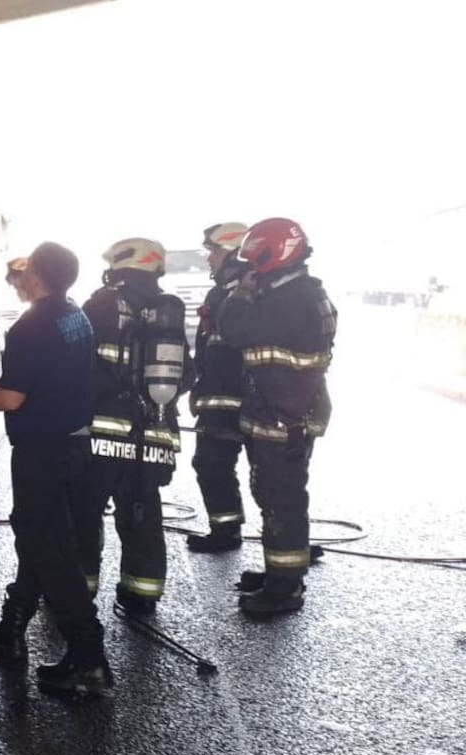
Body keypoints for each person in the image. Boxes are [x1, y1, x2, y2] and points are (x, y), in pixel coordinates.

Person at [0, 243, 111, 696]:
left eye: (26, 271)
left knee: (50, 550)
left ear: (38, 276)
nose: (20, 278)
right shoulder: (74, 315)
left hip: (41, 452)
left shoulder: (31, 327)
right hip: (74, 446)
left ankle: (89, 659)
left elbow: (12, 399)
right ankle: (13, 627)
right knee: (42, 539)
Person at [218, 218, 337, 615]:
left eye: (255, 256)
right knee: (276, 497)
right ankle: (280, 572)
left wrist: (241, 294)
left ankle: (285, 589)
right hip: (286, 412)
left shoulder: (290, 299)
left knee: (282, 500)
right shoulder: (300, 292)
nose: (250, 264)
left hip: (285, 416)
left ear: (275, 252)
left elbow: (233, 328)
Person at [78, 238, 194, 614]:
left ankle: (79, 589)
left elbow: (78, 362)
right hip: (154, 433)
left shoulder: (101, 304)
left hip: (104, 434)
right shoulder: (167, 311)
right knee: (143, 513)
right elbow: (188, 375)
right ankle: (142, 592)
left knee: (84, 510)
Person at [187, 222, 252, 553]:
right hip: (218, 395)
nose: (208, 258)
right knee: (211, 463)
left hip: (251, 398)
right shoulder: (219, 292)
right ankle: (225, 531)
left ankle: (286, 544)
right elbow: (208, 343)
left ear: (236, 252)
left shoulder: (256, 290)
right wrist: (199, 386)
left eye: (214, 251)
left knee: (271, 477)